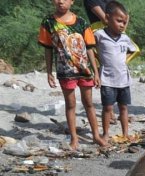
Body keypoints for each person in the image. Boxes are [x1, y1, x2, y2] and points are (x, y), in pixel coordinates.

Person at [38, 0, 107, 150]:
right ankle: (74, 138)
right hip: (65, 72)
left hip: (84, 71)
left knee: (89, 103)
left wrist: (96, 72)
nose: (60, 1)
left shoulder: (82, 22)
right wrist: (49, 72)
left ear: (72, 1)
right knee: (70, 105)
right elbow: (48, 49)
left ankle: (96, 136)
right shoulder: (48, 22)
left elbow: (89, 48)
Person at [94, 1, 139, 142]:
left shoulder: (125, 38)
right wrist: (96, 64)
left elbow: (133, 49)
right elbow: (89, 48)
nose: (122, 25)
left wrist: (122, 60)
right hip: (107, 79)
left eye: (124, 22)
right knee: (107, 108)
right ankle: (106, 134)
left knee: (124, 108)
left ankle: (125, 133)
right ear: (107, 18)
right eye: (119, 21)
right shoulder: (99, 35)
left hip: (123, 80)